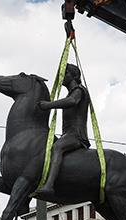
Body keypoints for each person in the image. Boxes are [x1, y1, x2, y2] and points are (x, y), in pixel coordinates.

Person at [35, 63, 91, 197]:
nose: (62, 77)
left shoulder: (79, 90)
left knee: (57, 147)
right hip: (67, 134)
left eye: (64, 74)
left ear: (74, 76)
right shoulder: (71, 92)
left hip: (76, 135)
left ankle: (49, 186)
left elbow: (72, 101)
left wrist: (49, 105)